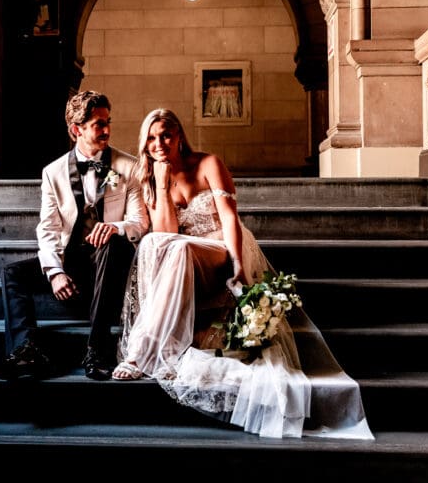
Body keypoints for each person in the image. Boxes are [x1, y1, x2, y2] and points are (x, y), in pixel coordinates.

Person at [113, 108, 373, 440]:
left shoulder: (208, 164)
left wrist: (237, 265)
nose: (159, 143)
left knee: (172, 247)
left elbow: (229, 218)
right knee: (156, 242)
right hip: (183, 254)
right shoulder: (149, 175)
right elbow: (168, 232)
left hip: (222, 248)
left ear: (179, 135)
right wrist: (162, 188)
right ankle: (149, 347)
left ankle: (144, 351)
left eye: (165, 134)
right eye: (151, 138)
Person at [0, 90, 149, 381]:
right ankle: (27, 352)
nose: (107, 130)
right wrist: (55, 272)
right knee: (11, 274)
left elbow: (140, 222)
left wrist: (117, 227)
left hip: (111, 266)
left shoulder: (130, 166)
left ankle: (97, 350)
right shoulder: (53, 172)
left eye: (108, 121)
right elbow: (47, 229)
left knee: (114, 245)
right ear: (77, 130)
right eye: (99, 124)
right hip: (71, 262)